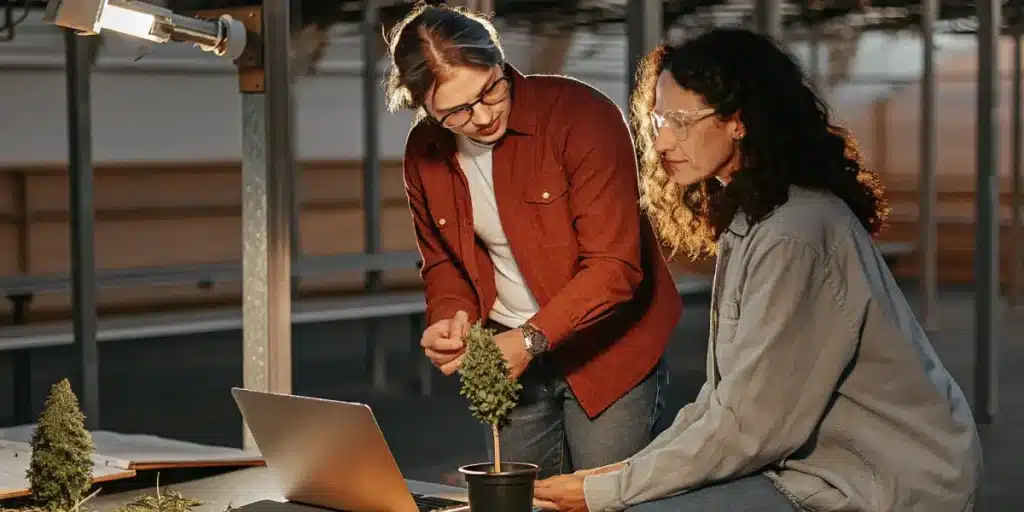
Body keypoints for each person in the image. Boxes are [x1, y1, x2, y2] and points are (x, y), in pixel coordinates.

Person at [534, 27, 983, 511]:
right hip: (815, 466)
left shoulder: (797, 232)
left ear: (738, 122)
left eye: (681, 121)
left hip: (885, 480)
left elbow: (752, 425)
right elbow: (722, 402)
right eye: (658, 119)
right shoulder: (754, 217)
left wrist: (611, 492)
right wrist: (624, 472)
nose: (662, 141)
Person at [383, 2, 683, 479]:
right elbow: (444, 264)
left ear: (498, 62)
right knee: (522, 498)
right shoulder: (424, 153)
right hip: (511, 350)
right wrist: (449, 320)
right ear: (423, 107)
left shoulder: (581, 117)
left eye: (490, 91)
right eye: (455, 111)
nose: (481, 117)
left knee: (599, 498)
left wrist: (530, 338)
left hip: (609, 350)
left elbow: (615, 268)